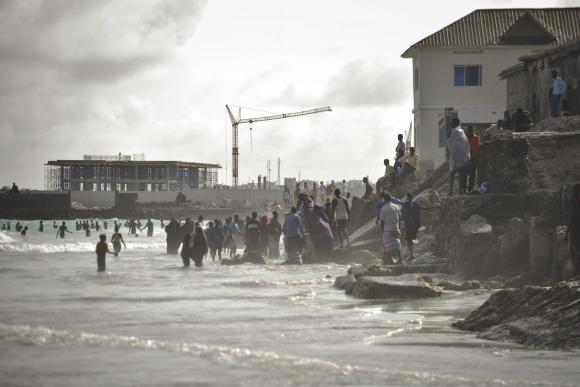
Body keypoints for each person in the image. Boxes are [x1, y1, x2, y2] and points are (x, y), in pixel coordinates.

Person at [447, 117, 471, 195]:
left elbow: (450, 143)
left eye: (452, 122)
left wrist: (449, 138)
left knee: (452, 174)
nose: (451, 124)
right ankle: (460, 191)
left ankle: (451, 191)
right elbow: (465, 144)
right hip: (462, 158)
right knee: (461, 175)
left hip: (455, 158)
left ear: (455, 123)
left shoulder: (455, 132)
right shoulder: (462, 132)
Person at [379, 193, 402, 265]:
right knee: (397, 245)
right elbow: (400, 218)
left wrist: (382, 230)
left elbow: (382, 221)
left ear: (385, 200)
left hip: (387, 229)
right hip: (396, 228)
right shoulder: (396, 207)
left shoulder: (383, 208)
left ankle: (389, 261)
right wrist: (399, 228)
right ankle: (400, 260)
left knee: (387, 245)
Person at [401, 192, 421, 261]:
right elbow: (418, 214)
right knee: (411, 239)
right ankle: (411, 253)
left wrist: (404, 222)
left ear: (407, 197)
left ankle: (411, 254)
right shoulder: (415, 204)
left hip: (409, 225)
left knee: (409, 240)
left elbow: (403, 215)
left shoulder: (405, 204)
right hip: (414, 225)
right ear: (412, 197)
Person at [568, 184, 580, 277]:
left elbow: (572, 218)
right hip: (575, 232)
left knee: (575, 254)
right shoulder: (574, 202)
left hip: (576, 232)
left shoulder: (575, 203)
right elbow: (571, 218)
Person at [466, 126, 480, 193]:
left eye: (471, 130)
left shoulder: (476, 138)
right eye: (469, 130)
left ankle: (470, 188)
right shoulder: (465, 138)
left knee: (472, 174)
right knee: (465, 174)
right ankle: (464, 189)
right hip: (466, 158)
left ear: (473, 130)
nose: (470, 132)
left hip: (473, 158)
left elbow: (477, 148)